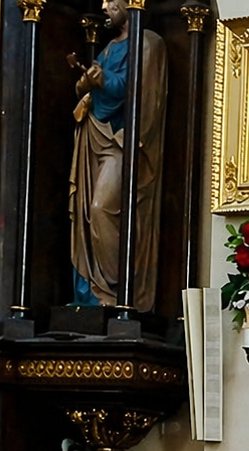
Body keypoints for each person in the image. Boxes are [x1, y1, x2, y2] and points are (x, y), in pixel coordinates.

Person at [68, 0, 167, 311]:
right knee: (87, 214)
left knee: (100, 208)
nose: (104, 7)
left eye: (112, 3)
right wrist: (87, 80)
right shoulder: (110, 47)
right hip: (94, 133)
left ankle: (115, 290)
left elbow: (136, 88)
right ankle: (96, 294)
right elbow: (91, 87)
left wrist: (103, 80)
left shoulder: (149, 43)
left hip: (120, 142)